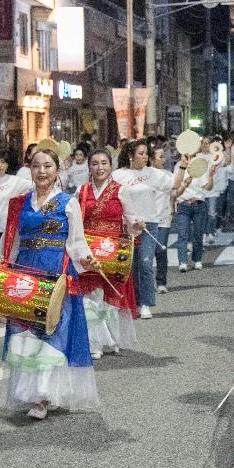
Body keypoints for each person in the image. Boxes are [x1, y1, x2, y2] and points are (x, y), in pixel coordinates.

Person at [0, 148, 100, 420]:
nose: (42, 171)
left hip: (57, 273)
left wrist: (87, 259)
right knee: (28, 334)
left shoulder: (68, 202)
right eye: (37, 166)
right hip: (26, 271)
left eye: (48, 166)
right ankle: (31, 391)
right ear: (30, 169)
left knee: (53, 331)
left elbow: (77, 242)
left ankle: (44, 395)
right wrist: (2, 269)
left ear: (57, 170)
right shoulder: (19, 203)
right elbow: (12, 241)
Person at [75, 148, 144, 355]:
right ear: (89, 167)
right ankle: (95, 344)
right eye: (95, 163)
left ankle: (110, 339)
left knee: (108, 301)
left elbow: (130, 220)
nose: (99, 168)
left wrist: (137, 224)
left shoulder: (120, 191)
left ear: (110, 166)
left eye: (104, 163)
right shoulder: (81, 191)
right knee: (91, 298)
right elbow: (74, 220)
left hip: (112, 253)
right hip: (88, 251)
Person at [112, 139, 179, 318]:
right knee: (131, 266)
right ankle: (133, 302)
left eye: (146, 154)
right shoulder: (119, 175)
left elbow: (174, 183)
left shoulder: (153, 173)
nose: (145, 157)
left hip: (149, 223)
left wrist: (184, 166)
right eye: (141, 153)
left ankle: (145, 303)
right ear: (130, 155)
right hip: (127, 226)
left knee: (145, 263)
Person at [174, 143, 216, 272]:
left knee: (198, 234)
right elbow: (175, 185)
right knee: (183, 234)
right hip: (183, 205)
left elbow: (208, 187)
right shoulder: (179, 166)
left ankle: (197, 259)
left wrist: (210, 175)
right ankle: (182, 261)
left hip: (199, 204)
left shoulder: (201, 165)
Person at [149, 146, 174, 294]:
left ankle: (161, 281)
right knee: (146, 253)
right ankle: (146, 283)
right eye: (160, 157)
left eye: (164, 156)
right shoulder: (145, 175)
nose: (163, 160)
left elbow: (175, 191)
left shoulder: (168, 175)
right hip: (147, 220)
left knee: (161, 249)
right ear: (152, 159)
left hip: (163, 219)